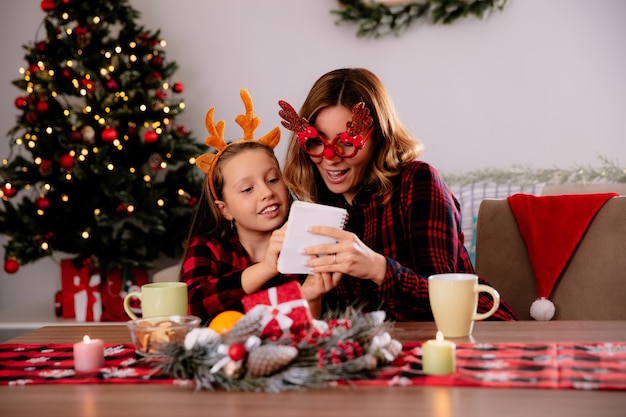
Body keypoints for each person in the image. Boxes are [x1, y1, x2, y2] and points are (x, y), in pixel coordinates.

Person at [279, 68, 517, 321]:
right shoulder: (309, 202)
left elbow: (443, 303)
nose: (330, 157)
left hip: (473, 329)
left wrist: (378, 268)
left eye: (347, 142)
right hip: (377, 350)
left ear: (379, 136)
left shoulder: (418, 181)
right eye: (316, 141)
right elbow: (290, 317)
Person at [180, 89, 340, 323]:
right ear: (225, 209)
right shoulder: (209, 247)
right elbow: (193, 305)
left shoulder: (305, 243)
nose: (267, 193)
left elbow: (309, 330)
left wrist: (310, 296)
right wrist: (266, 268)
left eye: (273, 180)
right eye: (247, 189)